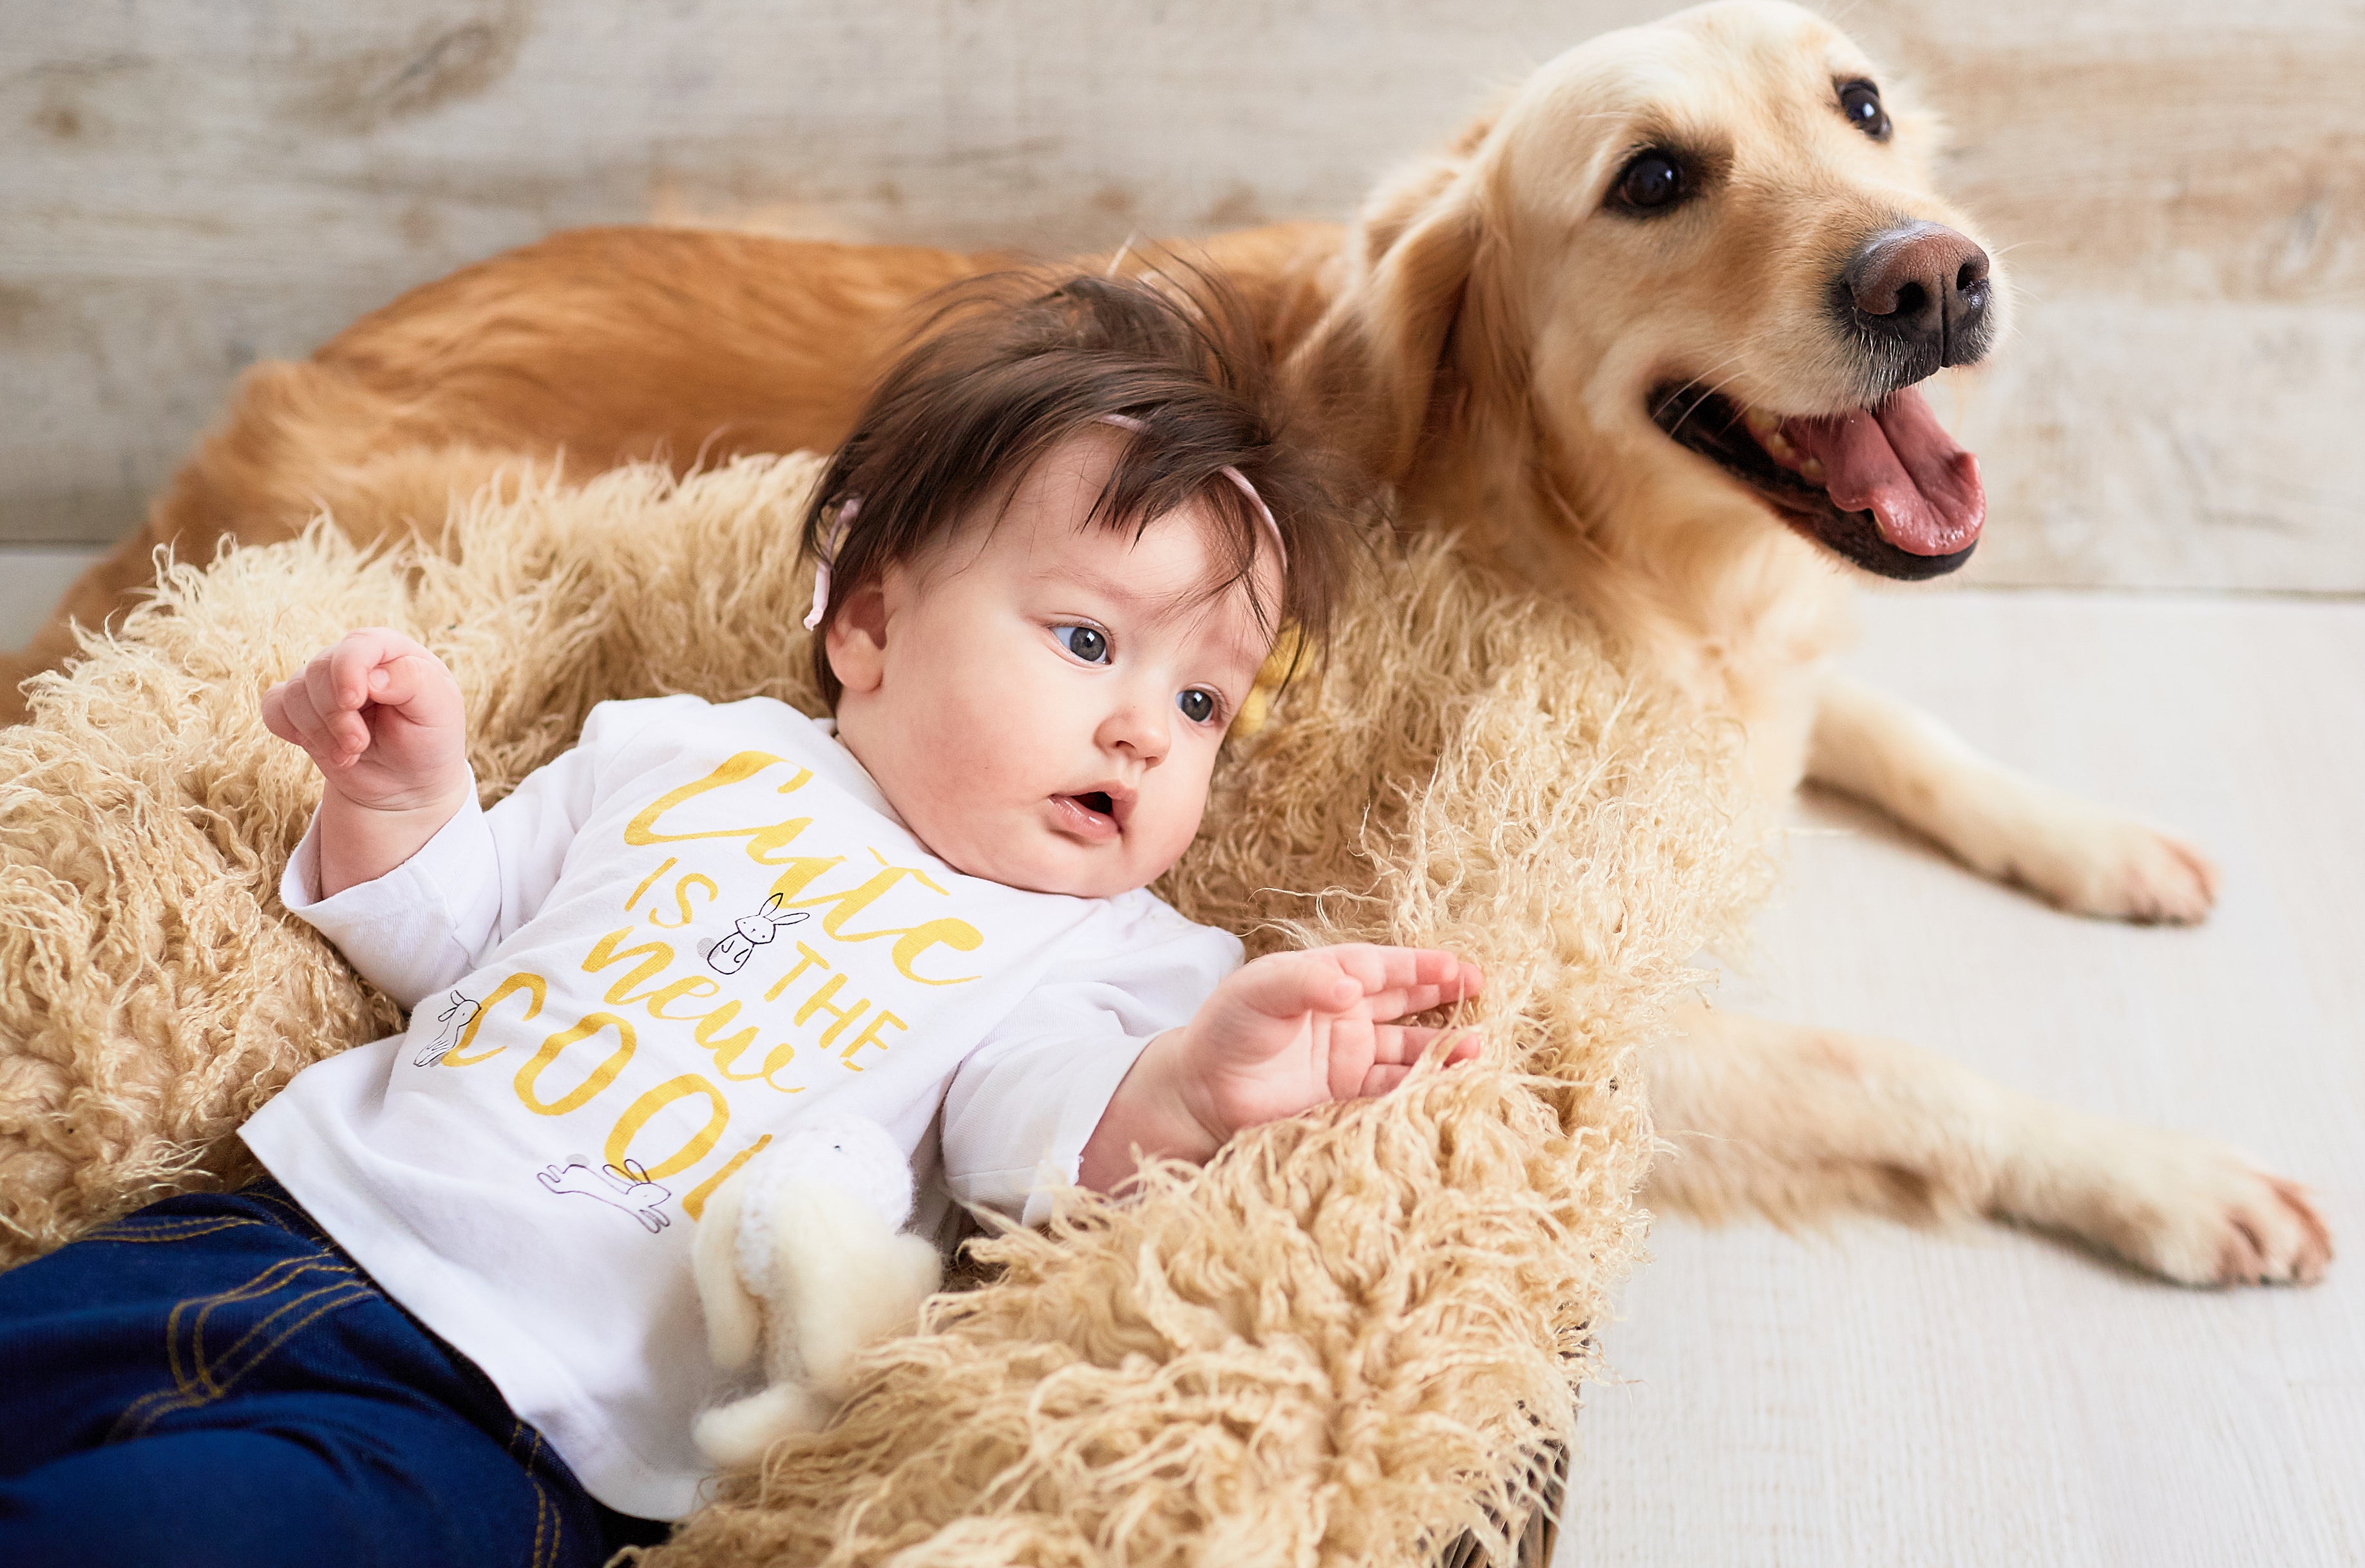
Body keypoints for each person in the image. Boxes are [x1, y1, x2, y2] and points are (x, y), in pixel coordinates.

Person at [0, 274, 1483, 1567]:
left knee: (155, 1539)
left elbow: (1040, 1147)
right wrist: (401, 790)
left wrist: (1198, 1083)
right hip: (267, 1225)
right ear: (875, 628)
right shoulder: (690, 752)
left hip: (508, 1425)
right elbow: (459, 939)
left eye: (1202, 698)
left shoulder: (1114, 951)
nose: (1146, 730)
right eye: (1089, 640)